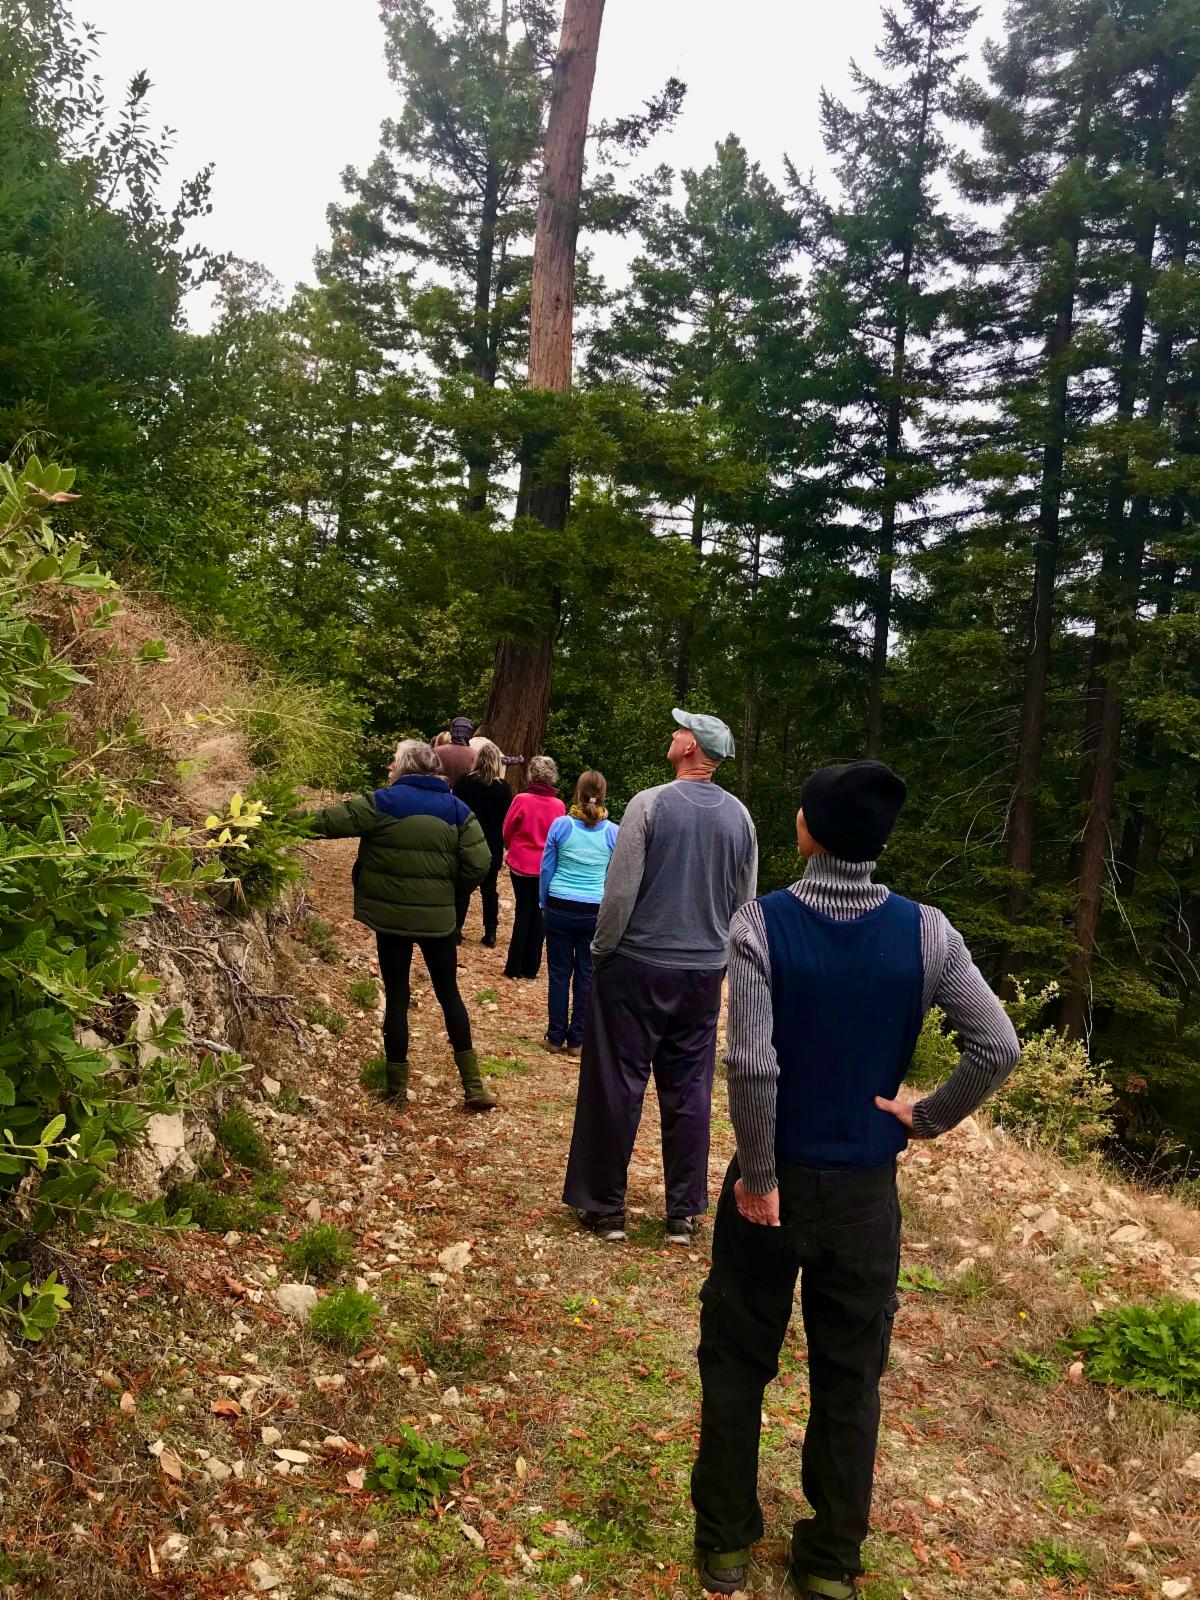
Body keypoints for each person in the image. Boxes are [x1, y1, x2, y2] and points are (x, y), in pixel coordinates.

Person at [690, 760, 1021, 1599]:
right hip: (865, 1194)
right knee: (849, 1375)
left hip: (771, 1183)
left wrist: (759, 1173)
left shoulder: (760, 924)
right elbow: (997, 1046)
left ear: (808, 830)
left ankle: (725, 1543)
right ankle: (832, 1560)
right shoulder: (928, 933)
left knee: (736, 1359)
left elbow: (752, 1064)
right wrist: (925, 1117)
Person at [562, 710, 757, 1246]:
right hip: (703, 972)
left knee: (615, 1081)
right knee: (690, 1087)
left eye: (679, 730)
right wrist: (725, 959)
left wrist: (602, 949)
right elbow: (745, 901)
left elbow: (620, 890)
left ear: (691, 747)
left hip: (637, 964)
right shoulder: (740, 817)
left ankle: (605, 1207)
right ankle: (683, 1213)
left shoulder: (649, 805)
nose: (673, 734)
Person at [302, 740, 498, 1113]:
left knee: (397, 997)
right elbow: (480, 862)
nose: (390, 766)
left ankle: (396, 1091)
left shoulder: (383, 802)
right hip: (438, 920)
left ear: (406, 766)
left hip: (391, 920)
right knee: (449, 994)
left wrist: (272, 819)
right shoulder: (457, 810)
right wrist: (450, 891)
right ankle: (473, 1085)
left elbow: (327, 821)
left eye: (394, 760)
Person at [539, 770, 619, 1056]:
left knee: (559, 973)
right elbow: (616, 878)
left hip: (559, 905)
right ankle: (577, 1040)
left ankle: (554, 1036)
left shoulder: (560, 825)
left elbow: (546, 868)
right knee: (586, 974)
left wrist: (543, 902)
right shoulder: (613, 832)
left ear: (578, 791)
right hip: (593, 910)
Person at [501, 755, 565, 979]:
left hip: (520, 863)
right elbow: (560, 838)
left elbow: (507, 829)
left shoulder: (521, 800)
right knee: (539, 913)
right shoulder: (558, 805)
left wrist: (511, 847)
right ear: (552, 776)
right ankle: (531, 967)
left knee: (523, 912)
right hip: (545, 867)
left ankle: (514, 967)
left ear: (531, 775)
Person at [452, 738, 512, 947]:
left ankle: (456, 928)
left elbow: (455, 810)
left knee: (463, 885)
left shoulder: (464, 782)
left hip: (467, 840)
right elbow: (506, 817)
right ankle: (491, 932)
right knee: (489, 888)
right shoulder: (502, 788)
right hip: (492, 843)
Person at [434, 716, 478, 784]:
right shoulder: (475, 755)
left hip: (439, 789)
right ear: (469, 734)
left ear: (452, 731)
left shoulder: (436, 752)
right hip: (463, 790)